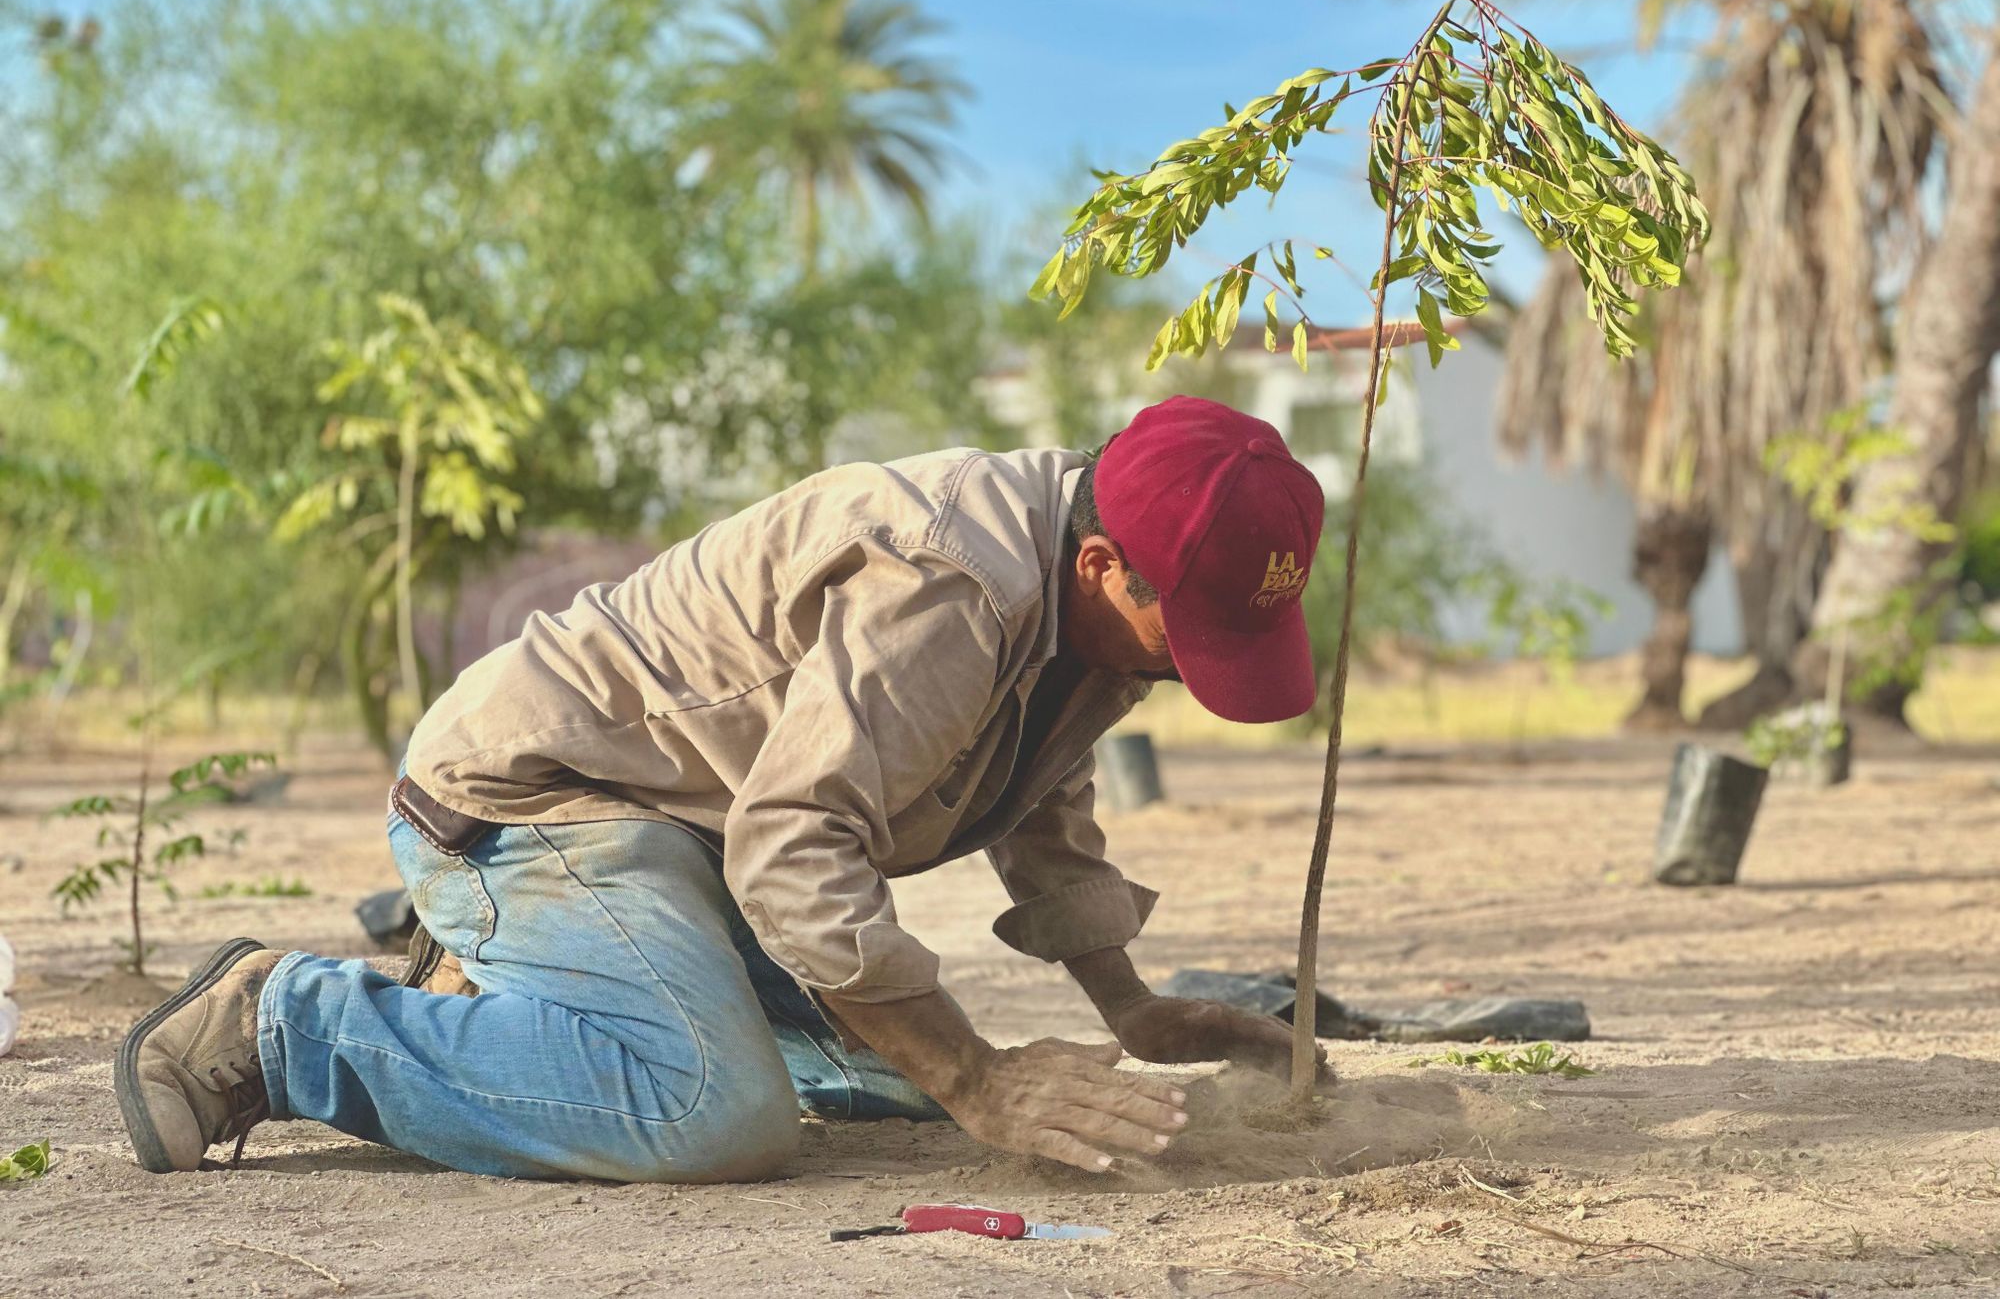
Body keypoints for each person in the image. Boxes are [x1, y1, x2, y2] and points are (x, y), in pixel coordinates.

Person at [116, 395, 1326, 1182]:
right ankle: (285, 1022)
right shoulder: (947, 585)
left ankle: (499, 989)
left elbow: (1040, 795)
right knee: (712, 1112)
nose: (1185, 666)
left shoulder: (1090, 600)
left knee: (875, 1087)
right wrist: (977, 1079)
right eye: (1190, 634)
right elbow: (797, 849)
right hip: (540, 799)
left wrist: (1129, 1006)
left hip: (684, 836)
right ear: (1104, 564)